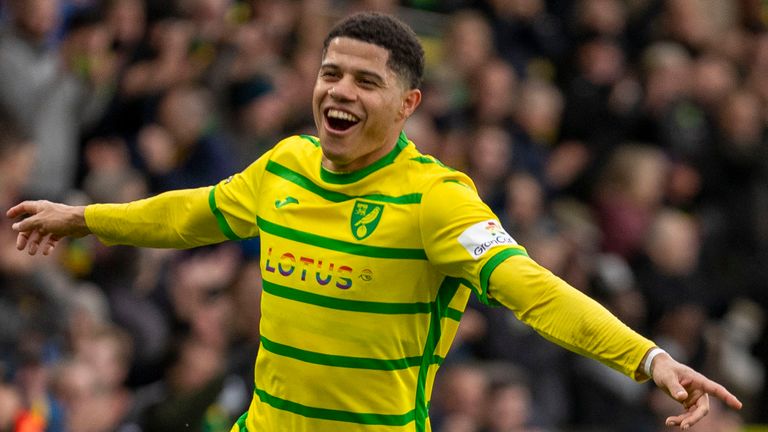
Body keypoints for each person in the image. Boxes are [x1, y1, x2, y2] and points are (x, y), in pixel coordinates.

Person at [6, 11, 742, 432]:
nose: (341, 90)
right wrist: (86, 217)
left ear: (408, 104)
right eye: (331, 73)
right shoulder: (286, 165)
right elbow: (195, 213)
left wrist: (650, 360)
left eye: (366, 80)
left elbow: (534, 290)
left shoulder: (438, 201)